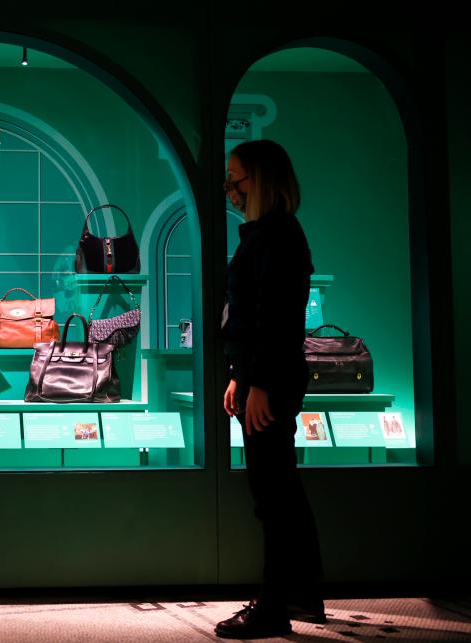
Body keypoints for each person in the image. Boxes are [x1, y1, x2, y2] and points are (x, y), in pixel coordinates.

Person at [216, 140, 325, 639]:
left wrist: (256, 379)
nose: (230, 189)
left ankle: (274, 605)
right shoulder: (266, 234)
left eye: (235, 179)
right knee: (281, 488)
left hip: (272, 380)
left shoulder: (276, 236)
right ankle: (301, 594)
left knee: (272, 494)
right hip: (264, 377)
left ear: (258, 180)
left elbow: (276, 319)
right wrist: (242, 374)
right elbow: (256, 315)